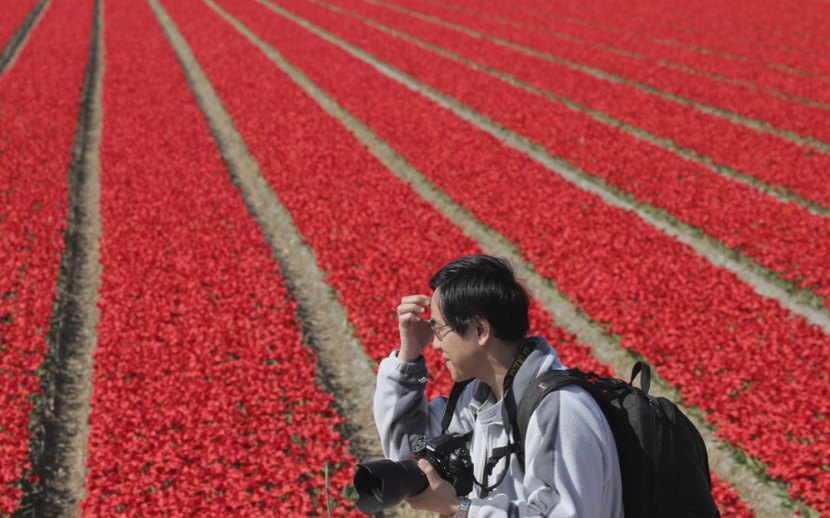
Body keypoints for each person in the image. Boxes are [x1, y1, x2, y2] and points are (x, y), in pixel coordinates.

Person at [374, 255, 623, 517]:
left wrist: (460, 509)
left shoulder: (560, 410)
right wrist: (408, 357)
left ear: (480, 330)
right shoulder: (477, 399)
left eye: (440, 330)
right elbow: (410, 457)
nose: (435, 344)